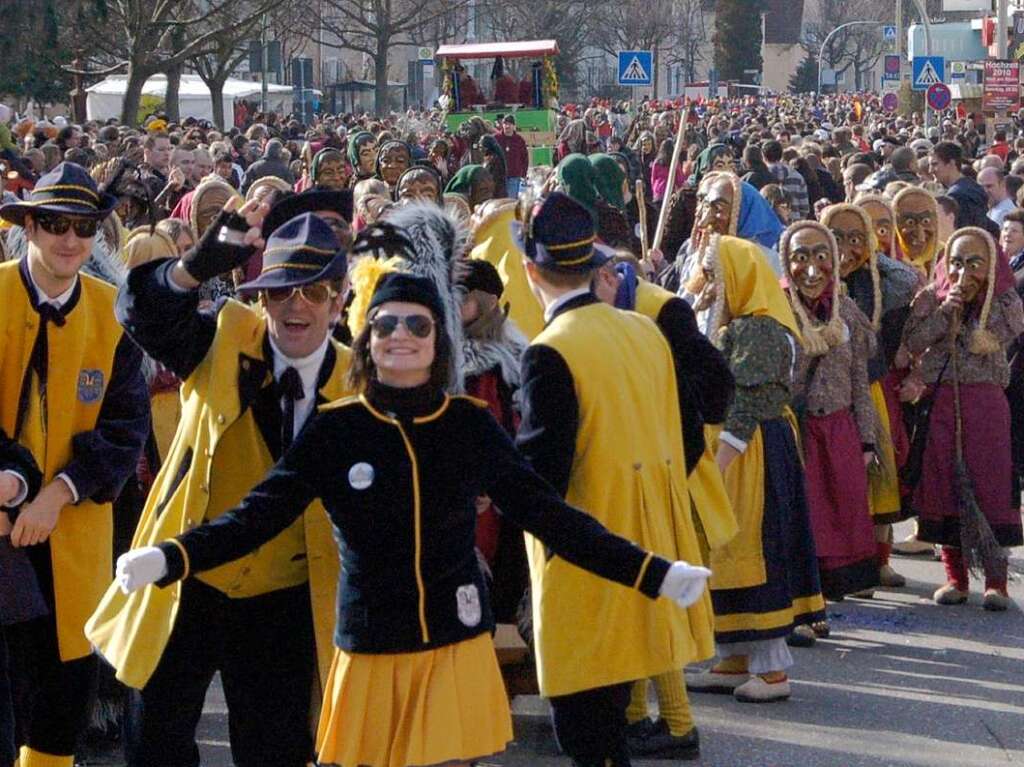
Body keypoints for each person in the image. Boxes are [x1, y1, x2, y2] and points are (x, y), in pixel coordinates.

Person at [112, 265, 711, 767]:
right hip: (368, 649)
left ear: (438, 339)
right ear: (367, 337)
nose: (401, 335)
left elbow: (550, 516)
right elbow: (256, 517)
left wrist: (652, 573)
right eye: (386, 323)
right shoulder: (337, 427)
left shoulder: (469, 425)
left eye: (417, 324)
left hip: (453, 644)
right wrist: (171, 557)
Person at [87, 207, 353, 767]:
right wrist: (190, 267)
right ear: (260, 298)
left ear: (340, 298)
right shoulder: (222, 341)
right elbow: (141, 314)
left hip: (285, 598)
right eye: (280, 292)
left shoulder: (359, 385)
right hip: (184, 578)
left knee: (275, 750)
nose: (296, 306)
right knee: (154, 744)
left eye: (315, 291)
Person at [516, 192, 714, 765]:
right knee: (608, 735)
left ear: (532, 270)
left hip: (584, 562)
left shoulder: (549, 350)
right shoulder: (644, 330)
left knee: (586, 735)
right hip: (650, 547)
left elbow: (540, 479)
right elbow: (689, 436)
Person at [0, 163, 150, 767]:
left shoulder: (113, 314)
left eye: (84, 227)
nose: (70, 240)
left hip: (73, 530)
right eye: (56, 224)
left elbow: (124, 430)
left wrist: (56, 494)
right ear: (30, 227)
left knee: (64, 700)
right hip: (3, 531)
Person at [592, 257, 736, 759]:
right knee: (637, 596)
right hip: (637, 474)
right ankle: (635, 714)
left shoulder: (663, 310)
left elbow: (715, 384)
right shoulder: (610, 313)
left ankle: (677, 723)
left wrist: (671, 451)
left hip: (667, 478)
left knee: (655, 600)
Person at [684, 234, 826, 703]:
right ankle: (735, 658)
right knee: (728, 551)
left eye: (716, 272)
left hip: (751, 452)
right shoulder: (748, 323)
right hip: (749, 446)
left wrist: (717, 464)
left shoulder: (759, 328)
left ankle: (770, 671)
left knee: (754, 548)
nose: (710, 281)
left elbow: (748, 402)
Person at [900, 227, 1024, 610]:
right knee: (944, 485)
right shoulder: (930, 297)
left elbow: (1008, 331)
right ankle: (955, 578)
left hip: (985, 405)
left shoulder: (1003, 300)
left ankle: (996, 582)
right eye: (955, 262)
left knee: (989, 487)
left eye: (974, 263)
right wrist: (943, 312)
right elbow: (913, 342)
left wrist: (973, 316)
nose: (963, 272)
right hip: (941, 401)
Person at [780, 221, 879, 612]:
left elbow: (860, 381)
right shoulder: (776, 309)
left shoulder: (847, 310)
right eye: (799, 257)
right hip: (796, 427)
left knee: (842, 507)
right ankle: (806, 595)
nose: (811, 269)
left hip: (838, 426)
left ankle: (839, 582)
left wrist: (867, 439)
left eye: (820, 257)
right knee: (805, 513)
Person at [824, 202, 919, 587]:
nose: (846, 246)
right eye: (837, 237)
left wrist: (870, 253)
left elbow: (909, 280)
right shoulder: (812, 276)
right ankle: (843, 560)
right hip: (829, 392)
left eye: (855, 237)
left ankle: (880, 560)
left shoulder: (880, 279)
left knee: (881, 472)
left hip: (873, 386)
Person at [929, 141, 1000, 237]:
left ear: (951, 163)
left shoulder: (956, 196)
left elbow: (963, 235)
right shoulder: (973, 187)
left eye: (934, 164)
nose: (930, 170)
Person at [495, 115, 529, 198]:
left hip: (514, 176)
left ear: (514, 126)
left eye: (510, 124)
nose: (507, 126)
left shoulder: (519, 140)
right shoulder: (496, 138)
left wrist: (523, 174)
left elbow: (525, 158)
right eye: (505, 124)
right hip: (499, 177)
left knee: (511, 200)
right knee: (499, 200)